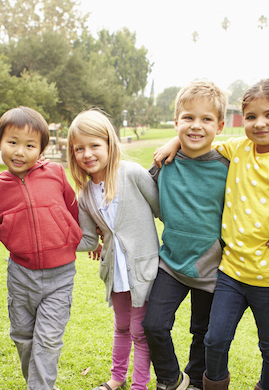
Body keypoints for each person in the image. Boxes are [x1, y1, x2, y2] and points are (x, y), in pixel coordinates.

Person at [155, 78, 269, 390]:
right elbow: (200, 141)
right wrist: (175, 141)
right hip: (229, 272)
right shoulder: (237, 149)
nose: (259, 123)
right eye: (251, 117)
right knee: (214, 340)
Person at [0, 106, 83, 390]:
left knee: (47, 339)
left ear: (41, 150)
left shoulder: (56, 174)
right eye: (12, 142)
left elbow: (74, 211)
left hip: (60, 276)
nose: (20, 151)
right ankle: (41, 384)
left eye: (29, 145)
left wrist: (85, 238)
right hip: (21, 277)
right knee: (23, 338)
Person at [142, 80, 229, 390]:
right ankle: (170, 380)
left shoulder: (228, 167)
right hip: (172, 263)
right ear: (176, 121)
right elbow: (139, 198)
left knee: (203, 333)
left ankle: (195, 381)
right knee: (153, 325)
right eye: (188, 118)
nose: (197, 125)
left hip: (213, 268)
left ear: (219, 126)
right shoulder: (163, 163)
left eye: (206, 119)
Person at [70, 109, 160, 390]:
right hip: (115, 273)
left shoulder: (132, 174)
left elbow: (161, 210)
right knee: (121, 327)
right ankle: (116, 379)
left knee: (139, 331)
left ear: (109, 143)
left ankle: (139, 385)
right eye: (79, 149)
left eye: (94, 145)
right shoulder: (85, 194)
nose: (87, 154)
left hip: (143, 269)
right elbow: (86, 240)